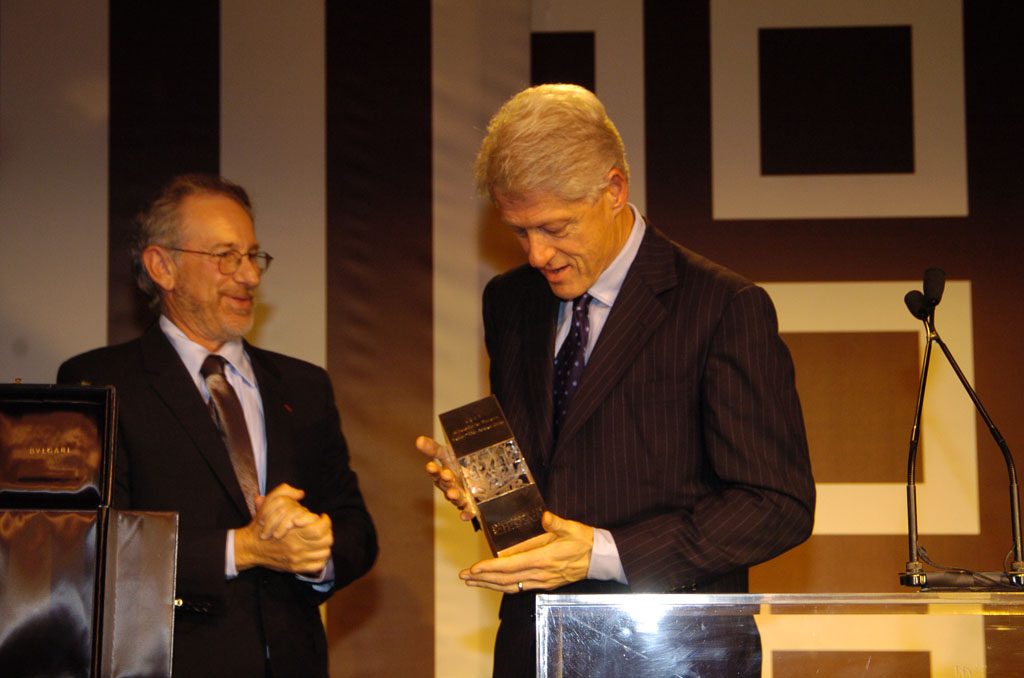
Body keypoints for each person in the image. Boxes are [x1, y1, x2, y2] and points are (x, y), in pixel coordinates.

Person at [417, 84, 816, 677]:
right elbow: (555, 472)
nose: (536, 254)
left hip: (675, 651)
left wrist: (603, 554)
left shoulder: (722, 305)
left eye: (555, 227)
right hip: (535, 646)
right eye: (519, 232)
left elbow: (777, 504)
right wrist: (490, 491)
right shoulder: (510, 301)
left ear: (614, 190)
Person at [58, 174, 377, 677]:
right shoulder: (99, 383)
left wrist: (317, 550)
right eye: (226, 256)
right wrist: (244, 548)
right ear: (162, 266)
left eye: (253, 256)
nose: (249, 275)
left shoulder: (304, 385)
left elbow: (356, 529)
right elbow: (91, 547)